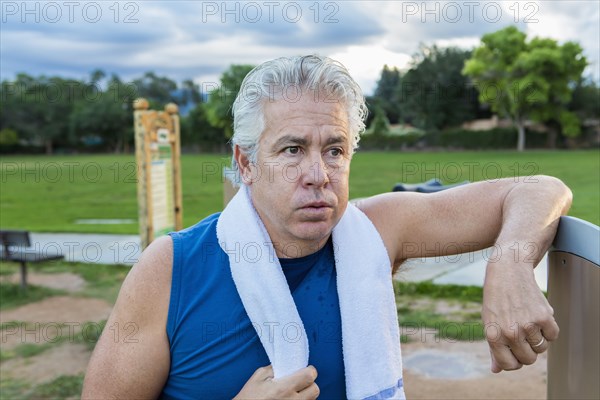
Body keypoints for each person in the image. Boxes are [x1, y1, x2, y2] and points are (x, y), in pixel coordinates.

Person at [82, 55, 572, 399]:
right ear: (246, 163)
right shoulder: (170, 268)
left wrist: (510, 264)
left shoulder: (377, 231)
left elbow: (537, 189)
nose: (318, 174)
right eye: (292, 150)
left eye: (334, 150)